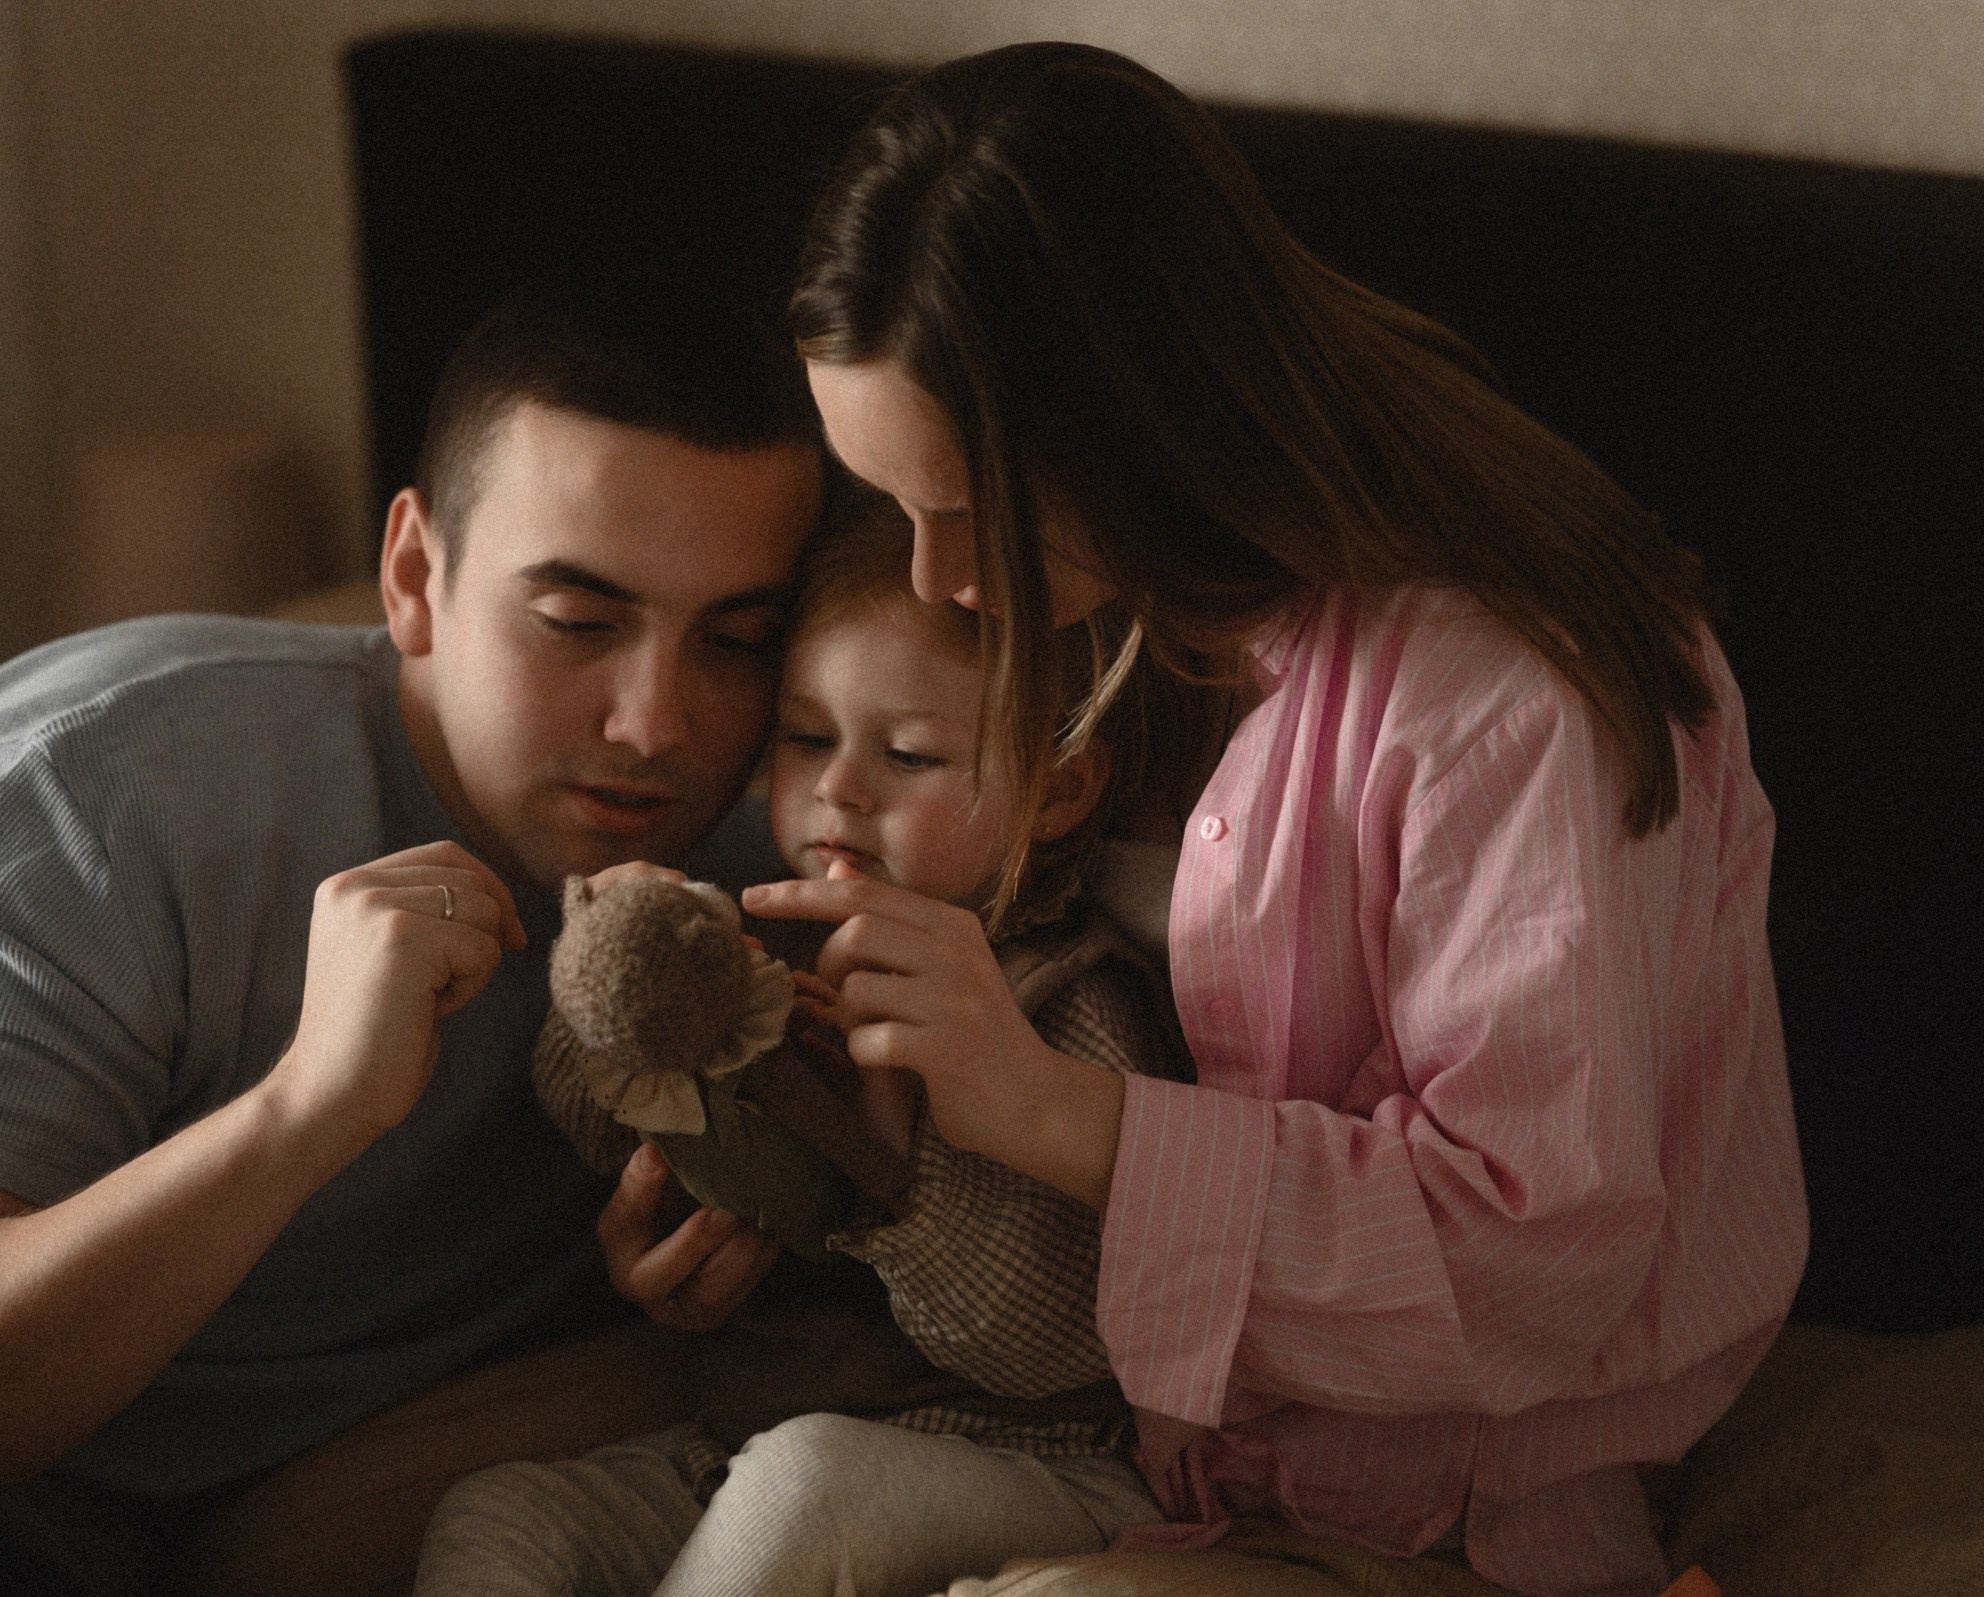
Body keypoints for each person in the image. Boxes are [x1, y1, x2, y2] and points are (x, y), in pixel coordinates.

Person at [713, 42, 1808, 1597]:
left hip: (1449, 1514)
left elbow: (1531, 1251)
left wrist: (1048, 1110)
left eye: (972, 512)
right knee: (771, 1507)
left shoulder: (1504, 696)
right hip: (1146, 1450)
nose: (939, 581)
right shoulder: (1133, 595)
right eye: (894, 507)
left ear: (1145, 414)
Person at [0, 275, 823, 1597]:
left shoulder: (761, 886)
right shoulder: (117, 785)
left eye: (739, 641)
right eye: (578, 622)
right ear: (413, 576)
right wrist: (303, 1111)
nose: (659, 721)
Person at [412, 489, 1180, 1597]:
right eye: (807, 736)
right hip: (741, 1437)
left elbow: (1062, 1344)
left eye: (909, 755)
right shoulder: (760, 932)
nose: (837, 788)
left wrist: (900, 1186)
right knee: (499, 1514)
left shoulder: (1065, 1000)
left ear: (1055, 790)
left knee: (804, 1483)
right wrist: (620, 989)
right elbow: (590, 1117)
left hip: (1040, 1461)